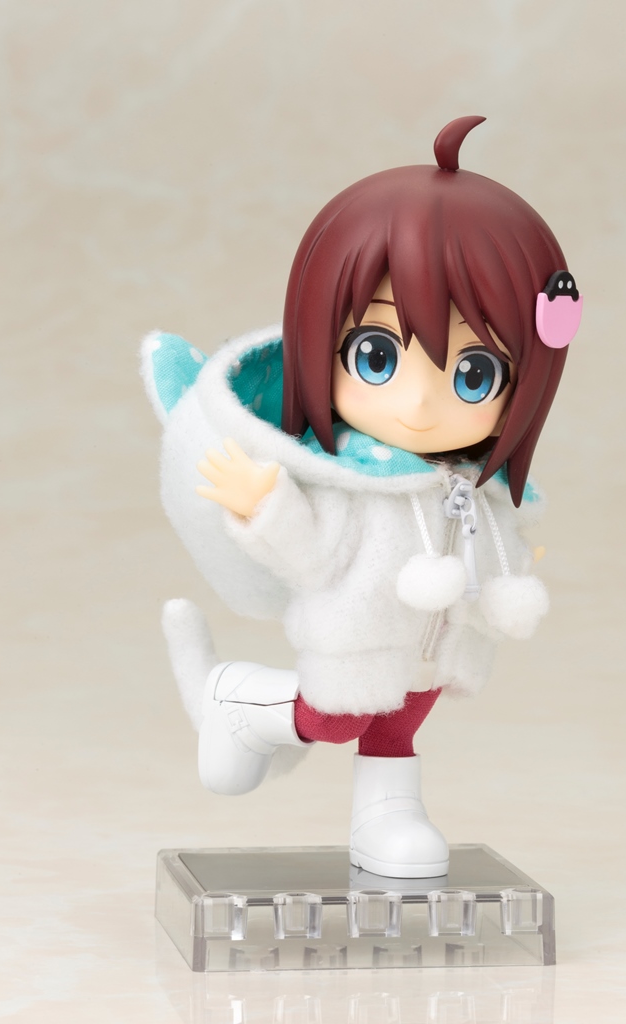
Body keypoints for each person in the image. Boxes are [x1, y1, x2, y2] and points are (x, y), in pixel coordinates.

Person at [142, 115, 582, 878]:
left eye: (473, 374)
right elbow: (315, 553)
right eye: (377, 356)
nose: (420, 403)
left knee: (402, 722)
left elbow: (493, 532)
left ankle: (389, 814)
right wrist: (265, 506)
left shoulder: (473, 477)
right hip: (360, 629)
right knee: (334, 716)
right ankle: (241, 703)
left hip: (440, 637)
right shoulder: (354, 478)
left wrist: (514, 556)